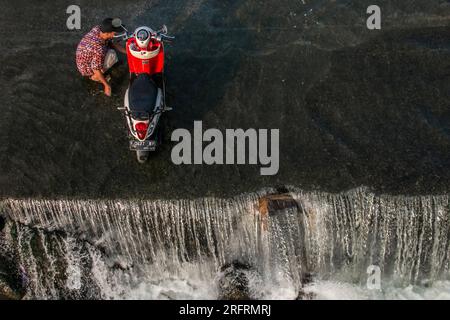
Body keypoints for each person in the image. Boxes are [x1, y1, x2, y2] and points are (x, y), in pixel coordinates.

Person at [76, 18, 127, 96]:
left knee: (109, 46)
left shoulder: (99, 29)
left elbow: (112, 42)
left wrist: (128, 52)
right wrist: (106, 86)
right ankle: (94, 77)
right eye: (114, 32)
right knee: (112, 54)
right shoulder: (98, 49)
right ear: (107, 33)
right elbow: (95, 68)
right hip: (87, 68)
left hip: (85, 56)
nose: (115, 34)